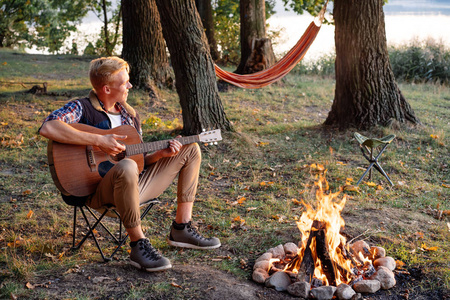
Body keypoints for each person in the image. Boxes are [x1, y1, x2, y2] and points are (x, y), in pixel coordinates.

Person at [39, 56, 220, 272]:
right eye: (125, 82)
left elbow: (139, 162)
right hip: (99, 192)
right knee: (126, 167)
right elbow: (48, 128)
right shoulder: (81, 108)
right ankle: (138, 244)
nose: (130, 86)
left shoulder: (130, 116)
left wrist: (160, 155)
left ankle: (181, 228)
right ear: (106, 89)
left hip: (133, 186)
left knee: (191, 148)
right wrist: (98, 140)